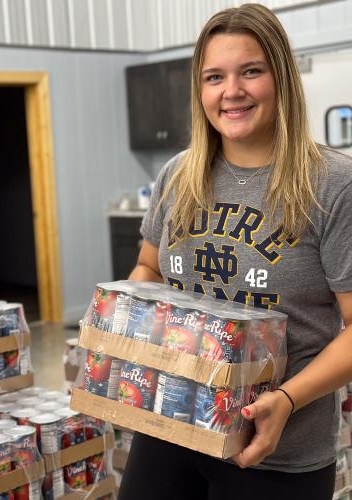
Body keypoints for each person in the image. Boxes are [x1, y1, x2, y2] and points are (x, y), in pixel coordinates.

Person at [118, 3, 352, 500]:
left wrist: (287, 400)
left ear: (281, 78)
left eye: (251, 71)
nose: (232, 92)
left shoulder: (332, 185)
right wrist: (123, 330)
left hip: (275, 453)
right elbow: (147, 267)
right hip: (169, 426)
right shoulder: (179, 176)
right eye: (214, 77)